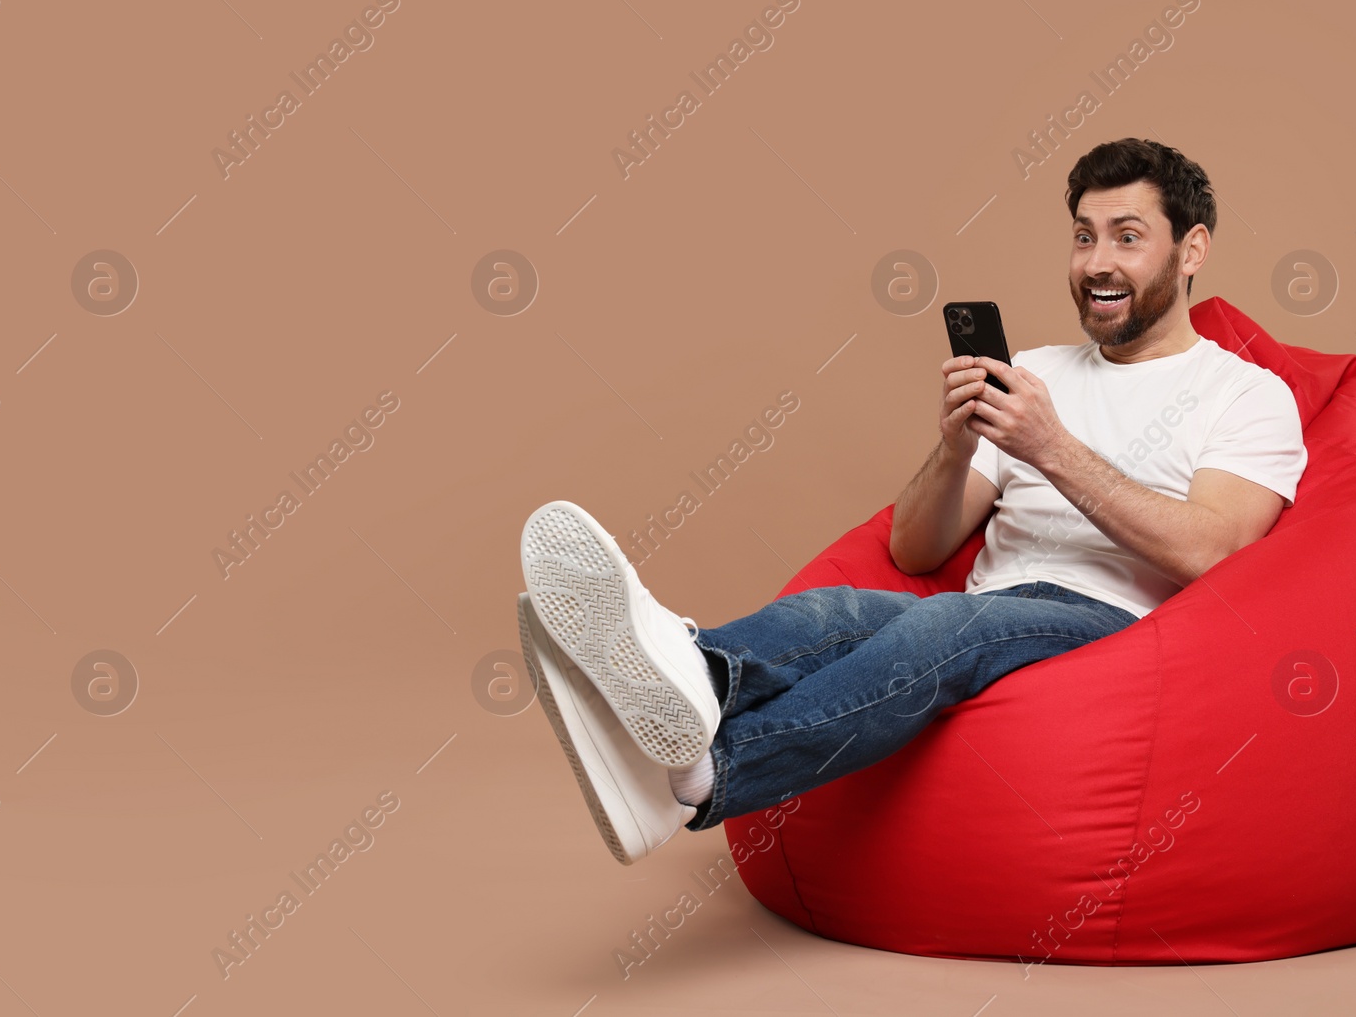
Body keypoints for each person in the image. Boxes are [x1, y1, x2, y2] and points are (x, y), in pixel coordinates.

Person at [515, 137, 1308, 865]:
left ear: (1192, 248)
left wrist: (1051, 449)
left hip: (1116, 626)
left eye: (1128, 237)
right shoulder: (1034, 371)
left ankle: (703, 772)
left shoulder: (1244, 394)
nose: (1097, 262)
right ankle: (685, 667)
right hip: (990, 605)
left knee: (944, 622)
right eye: (1083, 235)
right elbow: (914, 551)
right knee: (836, 612)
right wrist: (960, 442)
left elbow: (1214, 550)